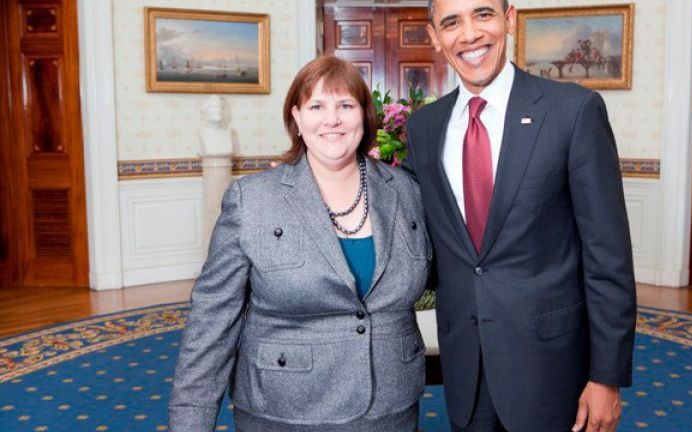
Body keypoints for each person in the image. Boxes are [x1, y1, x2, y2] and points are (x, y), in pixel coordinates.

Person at [403, 1, 637, 431]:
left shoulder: (574, 111)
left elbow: (609, 257)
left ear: (509, 19)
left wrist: (606, 377)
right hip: (465, 368)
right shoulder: (424, 128)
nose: (470, 34)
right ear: (435, 37)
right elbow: (414, 235)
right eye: (452, 22)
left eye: (484, 14)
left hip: (550, 368)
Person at [169, 55, 431, 432]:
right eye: (317, 106)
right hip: (285, 408)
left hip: (389, 405)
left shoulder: (407, 193)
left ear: (364, 115)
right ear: (296, 116)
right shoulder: (253, 200)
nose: (332, 120)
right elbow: (212, 321)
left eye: (345, 105)